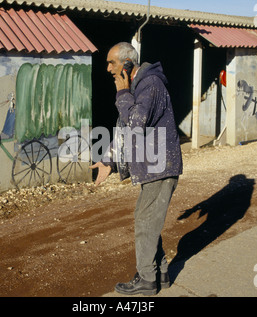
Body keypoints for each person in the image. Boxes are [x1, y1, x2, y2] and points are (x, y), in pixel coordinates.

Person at [89, 42, 183, 295]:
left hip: (159, 166)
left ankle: (147, 279)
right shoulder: (140, 86)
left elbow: (135, 125)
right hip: (153, 166)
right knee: (148, 220)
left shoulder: (149, 85)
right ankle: (159, 273)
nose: (108, 68)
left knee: (144, 221)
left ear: (128, 63)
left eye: (112, 62)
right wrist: (108, 160)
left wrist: (122, 92)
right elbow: (124, 129)